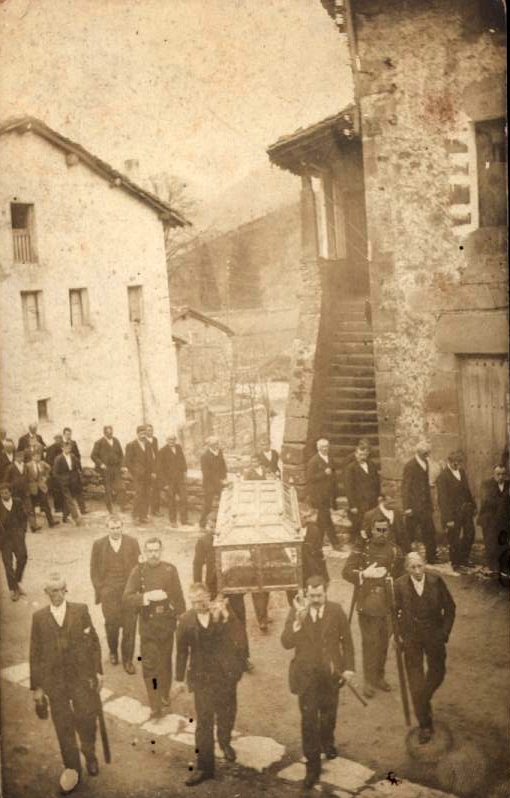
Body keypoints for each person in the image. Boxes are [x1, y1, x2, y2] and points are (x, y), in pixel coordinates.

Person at [281, 575, 355, 790]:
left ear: (326, 592)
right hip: (306, 678)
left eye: (319, 595)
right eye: (311, 595)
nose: (315, 599)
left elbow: (347, 641)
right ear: (306, 593)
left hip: (331, 675)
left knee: (329, 715)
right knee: (309, 722)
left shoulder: (336, 610)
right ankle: (312, 768)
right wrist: (297, 622)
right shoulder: (297, 612)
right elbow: (285, 643)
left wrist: (349, 668)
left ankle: (327, 742)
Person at [29, 573, 103, 786]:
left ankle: (89, 754)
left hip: (80, 679)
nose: (58, 594)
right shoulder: (39, 618)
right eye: (53, 591)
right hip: (56, 683)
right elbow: (35, 653)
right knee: (63, 725)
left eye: (62, 589)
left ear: (66, 590)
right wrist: (38, 688)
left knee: (87, 719)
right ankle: (72, 768)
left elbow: (94, 642)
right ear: (47, 593)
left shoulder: (80, 611)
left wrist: (98, 671)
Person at [173, 583, 244, 786]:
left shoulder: (222, 612)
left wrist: (225, 617)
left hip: (225, 676)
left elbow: (238, 636)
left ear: (209, 597)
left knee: (227, 712)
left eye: (201, 601)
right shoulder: (185, 620)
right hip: (202, 679)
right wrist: (179, 679)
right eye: (193, 602)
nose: (198, 605)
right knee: (204, 722)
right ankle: (205, 767)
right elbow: (182, 651)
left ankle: (225, 741)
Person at [394, 552, 455, 744]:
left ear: (425, 564)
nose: (417, 571)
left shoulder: (436, 582)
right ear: (407, 569)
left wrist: (444, 632)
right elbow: (392, 612)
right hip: (411, 638)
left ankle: (423, 698)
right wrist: (397, 635)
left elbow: (450, 608)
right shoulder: (399, 585)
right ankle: (425, 724)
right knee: (415, 680)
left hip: (434, 635)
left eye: (420, 566)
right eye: (413, 567)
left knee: (438, 671)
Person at [123, 537, 185, 719]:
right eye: (149, 551)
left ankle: (164, 694)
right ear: (144, 552)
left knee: (165, 662)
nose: (153, 554)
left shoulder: (170, 569)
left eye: (156, 550)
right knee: (150, 665)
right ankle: (154, 703)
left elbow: (179, 597)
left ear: (161, 550)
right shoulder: (138, 571)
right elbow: (126, 598)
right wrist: (145, 597)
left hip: (166, 623)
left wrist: (182, 619)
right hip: (148, 624)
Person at [343, 518, 404, 698]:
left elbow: (401, 577)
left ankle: (379, 677)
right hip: (368, 601)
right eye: (378, 530)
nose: (382, 533)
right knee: (370, 643)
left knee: (384, 641)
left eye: (385, 530)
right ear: (372, 530)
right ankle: (368, 681)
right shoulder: (362, 550)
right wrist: (363, 574)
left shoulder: (395, 550)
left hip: (387, 602)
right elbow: (346, 572)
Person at [193, 518, 252, 670]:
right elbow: (197, 564)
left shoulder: (233, 538)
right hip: (212, 588)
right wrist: (198, 587)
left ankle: (243, 658)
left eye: (215, 526)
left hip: (233, 588)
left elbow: (243, 562)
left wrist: (241, 586)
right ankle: (213, 658)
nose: (213, 530)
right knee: (213, 621)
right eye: (210, 526)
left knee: (239, 621)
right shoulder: (203, 541)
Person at [90, 516, 140, 674]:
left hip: (129, 591)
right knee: (111, 624)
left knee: (129, 627)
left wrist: (136, 588)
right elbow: (93, 568)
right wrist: (101, 588)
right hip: (109, 591)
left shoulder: (132, 542)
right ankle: (113, 651)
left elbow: (139, 566)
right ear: (107, 528)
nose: (116, 531)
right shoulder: (98, 544)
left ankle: (128, 660)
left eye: (118, 527)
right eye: (112, 528)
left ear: (122, 527)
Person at [436, 451, 477, 571]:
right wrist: (447, 519)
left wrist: (473, 505)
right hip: (452, 514)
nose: (456, 464)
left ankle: (464, 558)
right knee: (454, 537)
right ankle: (455, 562)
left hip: (465, 510)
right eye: (454, 462)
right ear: (449, 461)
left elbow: (467, 490)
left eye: (459, 462)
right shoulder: (443, 477)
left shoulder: (462, 472)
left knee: (470, 534)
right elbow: (442, 500)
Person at [401, 442, 437, 563]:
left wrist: (430, 504)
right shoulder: (410, 465)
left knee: (430, 532)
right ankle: (405, 557)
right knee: (409, 534)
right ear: (419, 452)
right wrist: (407, 507)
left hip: (425, 507)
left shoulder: (425, 462)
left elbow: (426, 485)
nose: (427, 455)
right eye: (425, 453)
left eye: (428, 453)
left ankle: (432, 557)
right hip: (413, 507)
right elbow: (405, 487)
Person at [286, 506, 329, 607]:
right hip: (295, 571)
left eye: (309, 516)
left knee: (314, 598)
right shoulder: (289, 531)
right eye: (304, 517)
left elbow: (319, 553)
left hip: (311, 569)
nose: (308, 519)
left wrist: (324, 575)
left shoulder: (314, 529)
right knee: (295, 601)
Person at [344, 441, 380, 540]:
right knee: (359, 523)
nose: (362, 457)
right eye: (360, 454)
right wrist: (352, 505)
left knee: (371, 521)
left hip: (372, 500)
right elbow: (348, 488)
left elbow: (376, 481)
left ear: (368, 454)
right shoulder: (350, 468)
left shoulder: (372, 465)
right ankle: (357, 543)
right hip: (359, 502)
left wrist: (378, 495)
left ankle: (370, 541)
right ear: (356, 454)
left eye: (364, 454)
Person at [306, 439, 339, 548]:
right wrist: (323, 474)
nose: (326, 449)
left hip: (328, 494)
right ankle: (335, 543)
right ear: (318, 448)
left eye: (327, 446)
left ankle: (316, 542)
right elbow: (310, 478)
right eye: (323, 447)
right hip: (319, 495)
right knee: (327, 518)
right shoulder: (313, 461)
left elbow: (333, 475)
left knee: (321, 520)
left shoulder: (330, 459)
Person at [478, 464, 510, 574]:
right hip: (489, 519)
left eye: (503, 474)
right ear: (494, 474)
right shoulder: (486, 485)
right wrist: (505, 498)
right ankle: (493, 566)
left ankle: (503, 565)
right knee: (491, 543)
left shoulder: (508, 484)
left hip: (503, 519)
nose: (501, 477)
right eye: (498, 474)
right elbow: (489, 501)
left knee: (503, 542)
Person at [0, 483, 28, 601]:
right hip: (4, 539)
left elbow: (23, 518)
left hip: (17, 536)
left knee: (23, 558)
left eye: (6, 492)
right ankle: (15, 589)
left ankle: (16, 581)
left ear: (10, 492)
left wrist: (22, 531)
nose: (3, 495)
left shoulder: (17, 502)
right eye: (1, 493)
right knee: (8, 564)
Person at [123, 426, 156, 525]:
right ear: (137, 434)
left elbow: (151, 460)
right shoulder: (131, 445)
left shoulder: (149, 444)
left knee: (147, 494)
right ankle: (135, 517)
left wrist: (153, 471)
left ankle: (143, 516)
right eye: (141, 433)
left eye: (145, 433)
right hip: (138, 475)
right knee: (139, 494)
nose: (143, 435)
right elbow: (127, 461)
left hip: (148, 475)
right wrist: (134, 471)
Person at [91, 426, 126, 513]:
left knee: (121, 487)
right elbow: (93, 456)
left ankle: (122, 506)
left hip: (116, 468)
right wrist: (101, 464)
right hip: (106, 470)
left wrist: (122, 465)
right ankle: (110, 508)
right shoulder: (99, 443)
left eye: (111, 432)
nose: (110, 434)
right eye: (108, 433)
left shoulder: (116, 441)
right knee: (108, 489)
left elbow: (121, 455)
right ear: (104, 433)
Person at [157, 433, 188, 527]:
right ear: (167, 441)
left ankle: (184, 520)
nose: (172, 442)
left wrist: (185, 470)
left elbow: (182, 460)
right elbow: (160, 469)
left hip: (180, 479)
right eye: (170, 440)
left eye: (173, 440)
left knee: (184, 498)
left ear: (175, 440)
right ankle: (173, 521)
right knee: (171, 501)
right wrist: (165, 483)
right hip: (170, 481)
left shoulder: (178, 448)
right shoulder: (162, 451)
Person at [52, 441, 86, 525]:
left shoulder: (73, 456)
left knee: (68, 500)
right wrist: (61, 480)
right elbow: (55, 473)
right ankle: (76, 518)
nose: (68, 449)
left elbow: (78, 467)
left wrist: (77, 476)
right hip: (64, 482)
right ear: (62, 448)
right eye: (66, 448)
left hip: (73, 481)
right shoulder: (58, 458)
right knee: (69, 500)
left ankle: (65, 516)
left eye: (69, 448)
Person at [5, 448, 39, 531]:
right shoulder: (11, 467)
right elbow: (6, 480)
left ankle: (33, 526)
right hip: (15, 492)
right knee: (17, 510)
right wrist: (11, 488)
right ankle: (21, 527)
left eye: (22, 457)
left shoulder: (25, 466)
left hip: (25, 491)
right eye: (19, 457)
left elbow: (28, 477)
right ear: (15, 458)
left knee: (29, 508)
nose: (21, 459)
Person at [199, 436, 228, 530]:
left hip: (219, 483)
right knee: (208, 505)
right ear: (209, 445)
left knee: (224, 503)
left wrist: (224, 478)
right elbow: (207, 473)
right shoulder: (204, 456)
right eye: (215, 444)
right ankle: (202, 524)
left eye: (217, 443)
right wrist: (219, 481)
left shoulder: (219, 452)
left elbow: (223, 466)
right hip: (209, 484)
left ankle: (222, 523)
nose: (217, 445)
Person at [27, 446, 59, 528]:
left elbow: (49, 468)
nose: (38, 458)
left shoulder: (42, 463)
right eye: (36, 456)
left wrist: (45, 477)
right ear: (32, 456)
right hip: (32, 488)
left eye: (39, 456)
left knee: (45, 504)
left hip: (41, 487)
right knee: (32, 507)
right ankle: (33, 525)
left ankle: (51, 522)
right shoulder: (28, 465)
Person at [46, 434, 65, 514]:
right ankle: (57, 507)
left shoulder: (63, 447)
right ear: (55, 439)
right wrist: (53, 471)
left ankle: (63, 507)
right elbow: (49, 460)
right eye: (57, 439)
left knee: (63, 489)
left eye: (60, 439)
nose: (59, 440)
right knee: (56, 491)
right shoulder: (51, 448)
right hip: (54, 472)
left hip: (63, 472)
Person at [145, 424, 161, 516]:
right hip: (147, 469)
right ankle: (147, 511)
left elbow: (156, 454)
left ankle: (156, 510)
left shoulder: (155, 440)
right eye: (148, 430)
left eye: (151, 430)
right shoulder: (143, 441)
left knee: (156, 489)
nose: (150, 432)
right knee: (147, 490)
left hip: (155, 467)